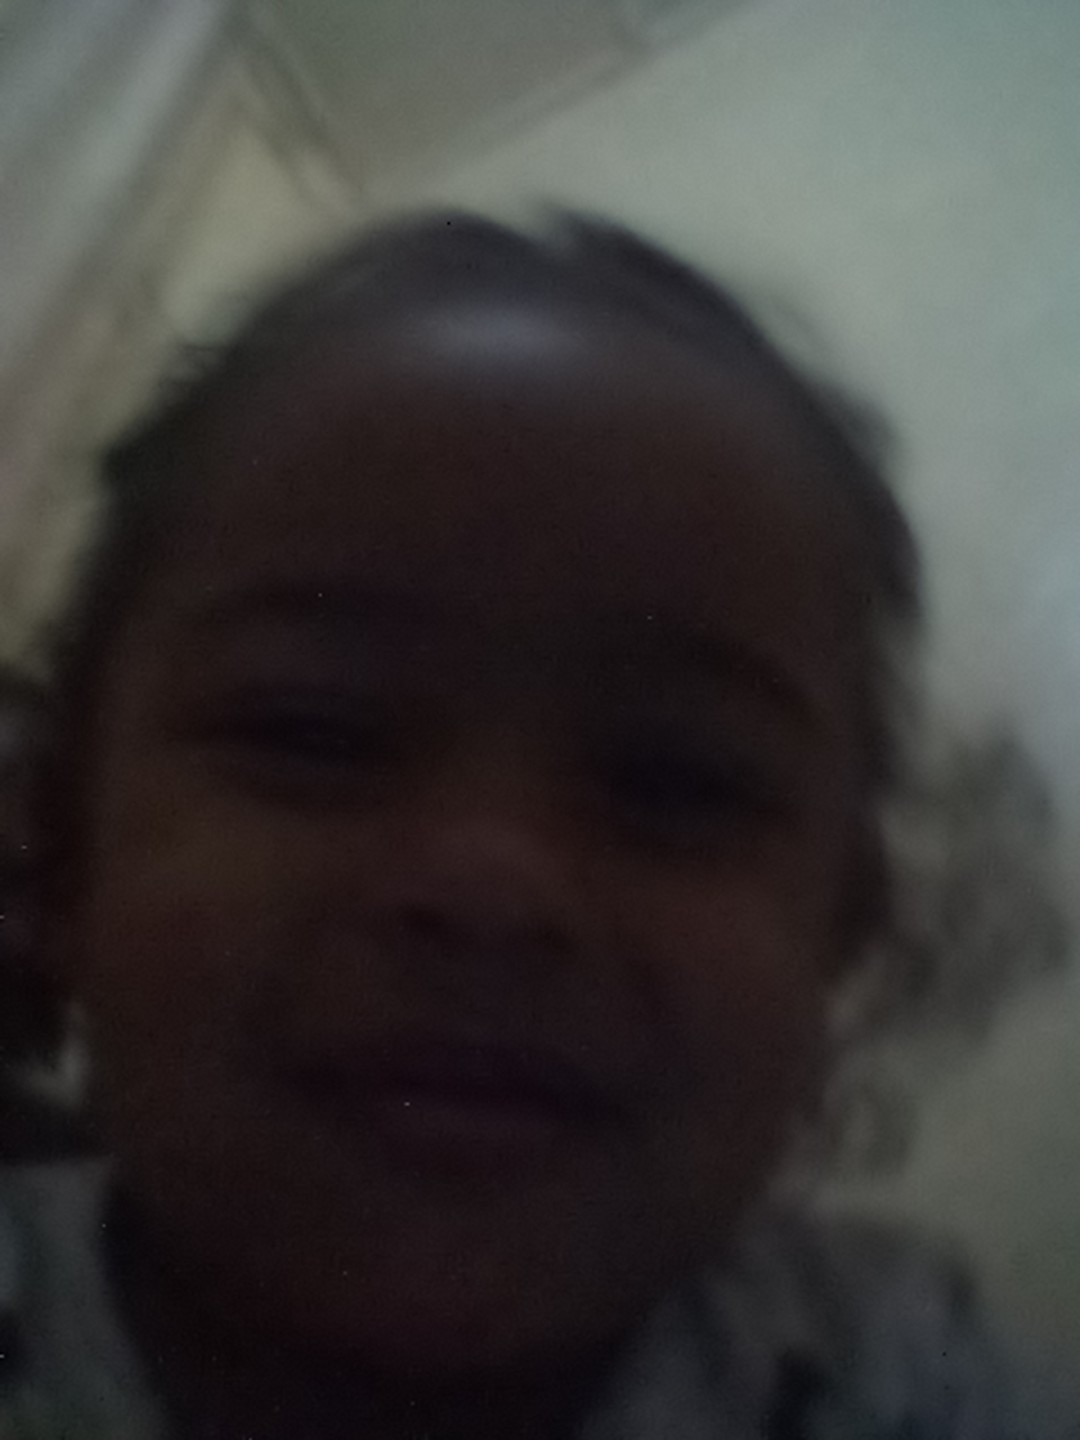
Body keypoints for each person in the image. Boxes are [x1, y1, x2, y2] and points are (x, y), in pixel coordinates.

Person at [0, 212, 1066, 1438]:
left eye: (677, 783)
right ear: (60, 842)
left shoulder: (906, 1372)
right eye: (312, 730)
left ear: (843, 936)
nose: (492, 885)